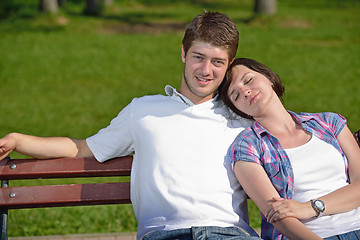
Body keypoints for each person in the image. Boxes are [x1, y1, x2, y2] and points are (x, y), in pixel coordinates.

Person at [0, 12, 263, 240]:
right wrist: (18, 140)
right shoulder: (144, 111)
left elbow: (292, 143)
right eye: (198, 57)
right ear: (183, 53)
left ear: (229, 65)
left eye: (217, 62)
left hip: (229, 233)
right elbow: (82, 148)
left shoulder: (241, 118)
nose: (206, 70)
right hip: (165, 234)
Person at [219, 58, 360, 240]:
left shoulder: (329, 123)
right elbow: (278, 217)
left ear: (269, 78)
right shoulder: (247, 147)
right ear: (238, 109)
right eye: (236, 95)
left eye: (248, 80)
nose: (245, 91)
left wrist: (310, 207)